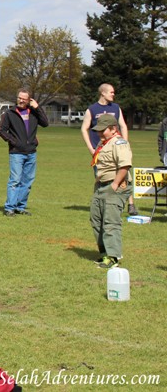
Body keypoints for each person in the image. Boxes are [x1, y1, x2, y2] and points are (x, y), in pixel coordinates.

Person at [81, 83, 138, 215]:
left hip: (116, 148)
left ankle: (131, 204)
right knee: (101, 176)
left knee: (124, 173)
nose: (113, 94)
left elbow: (123, 125)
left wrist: (125, 143)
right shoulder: (92, 109)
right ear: (103, 93)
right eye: (111, 92)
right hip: (100, 151)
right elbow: (84, 128)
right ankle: (101, 202)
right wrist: (91, 149)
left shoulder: (116, 108)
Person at [0, 89, 49, 217]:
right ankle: (9, 208)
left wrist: (38, 108)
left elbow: (45, 123)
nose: (21, 100)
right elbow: (1, 130)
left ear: (29, 100)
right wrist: (14, 142)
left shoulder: (34, 113)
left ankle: (20, 207)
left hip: (31, 152)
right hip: (16, 153)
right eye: (19, 98)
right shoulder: (10, 113)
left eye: (24, 99)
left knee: (27, 181)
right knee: (15, 180)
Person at [90, 114, 132, 269]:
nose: (99, 133)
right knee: (96, 219)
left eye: (103, 130)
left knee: (110, 222)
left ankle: (113, 257)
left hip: (115, 186)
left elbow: (125, 165)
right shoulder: (104, 143)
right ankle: (104, 253)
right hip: (100, 186)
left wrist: (115, 184)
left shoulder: (119, 143)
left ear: (113, 129)